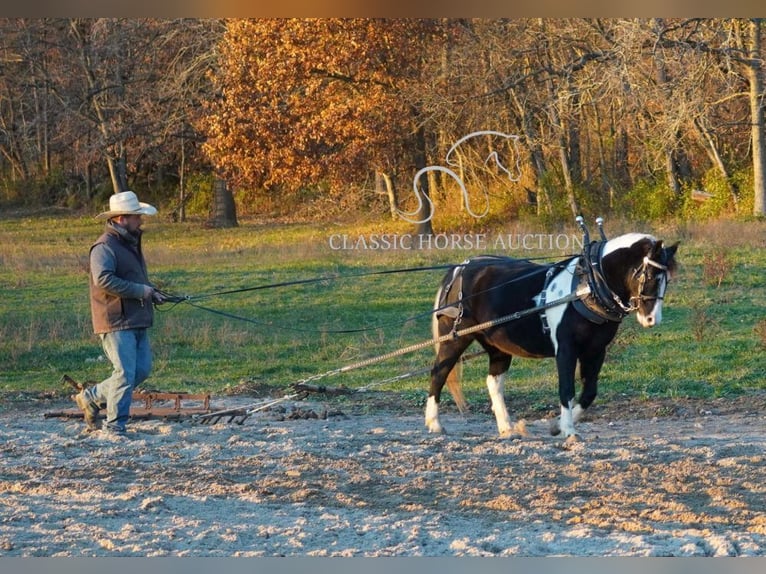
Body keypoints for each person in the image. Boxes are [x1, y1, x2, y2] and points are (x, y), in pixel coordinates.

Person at [74, 191, 166, 435]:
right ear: (122, 218)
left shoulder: (128, 243)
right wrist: (141, 291)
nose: (140, 220)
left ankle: (91, 397)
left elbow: (134, 279)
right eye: (136, 216)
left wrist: (152, 292)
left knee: (140, 371)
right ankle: (115, 427)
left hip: (135, 317)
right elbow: (104, 280)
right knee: (125, 373)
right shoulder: (104, 246)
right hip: (115, 319)